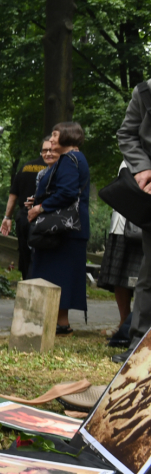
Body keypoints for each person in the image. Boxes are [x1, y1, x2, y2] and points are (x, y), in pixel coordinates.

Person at [28, 121, 90, 336]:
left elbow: (68, 192)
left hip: (64, 229)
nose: (52, 140)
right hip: (72, 228)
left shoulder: (69, 160)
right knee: (61, 275)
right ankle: (60, 322)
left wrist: (40, 208)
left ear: (67, 137)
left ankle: (57, 322)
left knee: (56, 275)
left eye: (55, 135)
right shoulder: (75, 159)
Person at [117, 79, 151, 362]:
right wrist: (142, 168)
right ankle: (139, 347)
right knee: (150, 274)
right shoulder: (145, 92)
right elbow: (127, 134)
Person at [95, 167, 143, 343]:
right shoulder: (126, 158)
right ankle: (124, 323)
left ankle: (138, 325)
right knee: (117, 278)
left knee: (140, 280)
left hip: (141, 227)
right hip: (119, 226)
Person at [0, 143, 54, 277]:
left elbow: (13, 195)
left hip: (23, 217)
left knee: (25, 256)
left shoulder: (25, 167)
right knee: (40, 258)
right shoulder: (51, 170)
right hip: (41, 217)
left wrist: (7, 217)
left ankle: (26, 283)